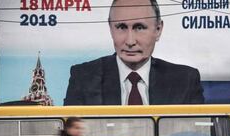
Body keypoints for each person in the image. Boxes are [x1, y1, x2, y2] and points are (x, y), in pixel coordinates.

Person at [64, 0, 204, 106]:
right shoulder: (83, 78)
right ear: (111, 28)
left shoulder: (185, 81)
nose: (130, 41)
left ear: (158, 30)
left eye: (139, 27)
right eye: (121, 27)